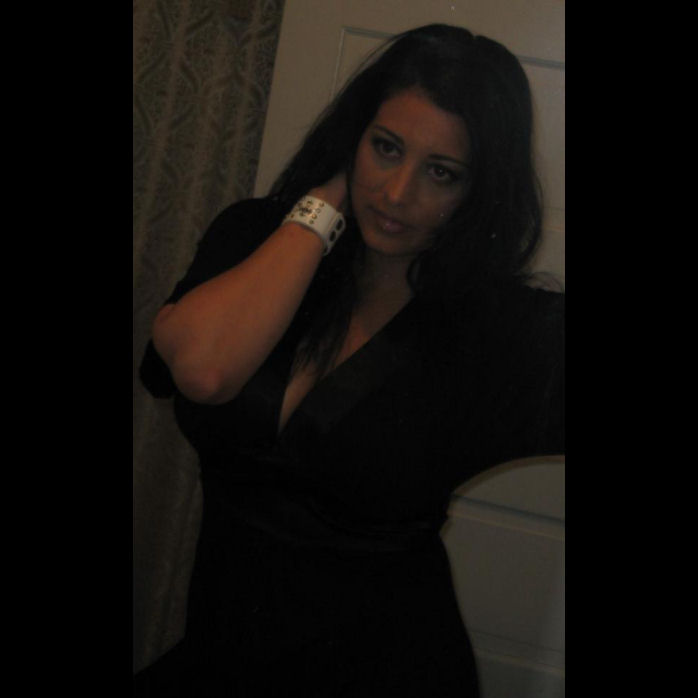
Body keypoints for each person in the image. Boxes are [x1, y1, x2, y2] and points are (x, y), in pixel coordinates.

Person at [135, 23, 564, 698]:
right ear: (353, 138)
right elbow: (204, 371)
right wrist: (324, 204)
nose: (396, 194)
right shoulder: (259, 239)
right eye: (385, 147)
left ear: (481, 191)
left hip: (390, 673)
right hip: (221, 660)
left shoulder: (501, 332)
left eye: (441, 173)